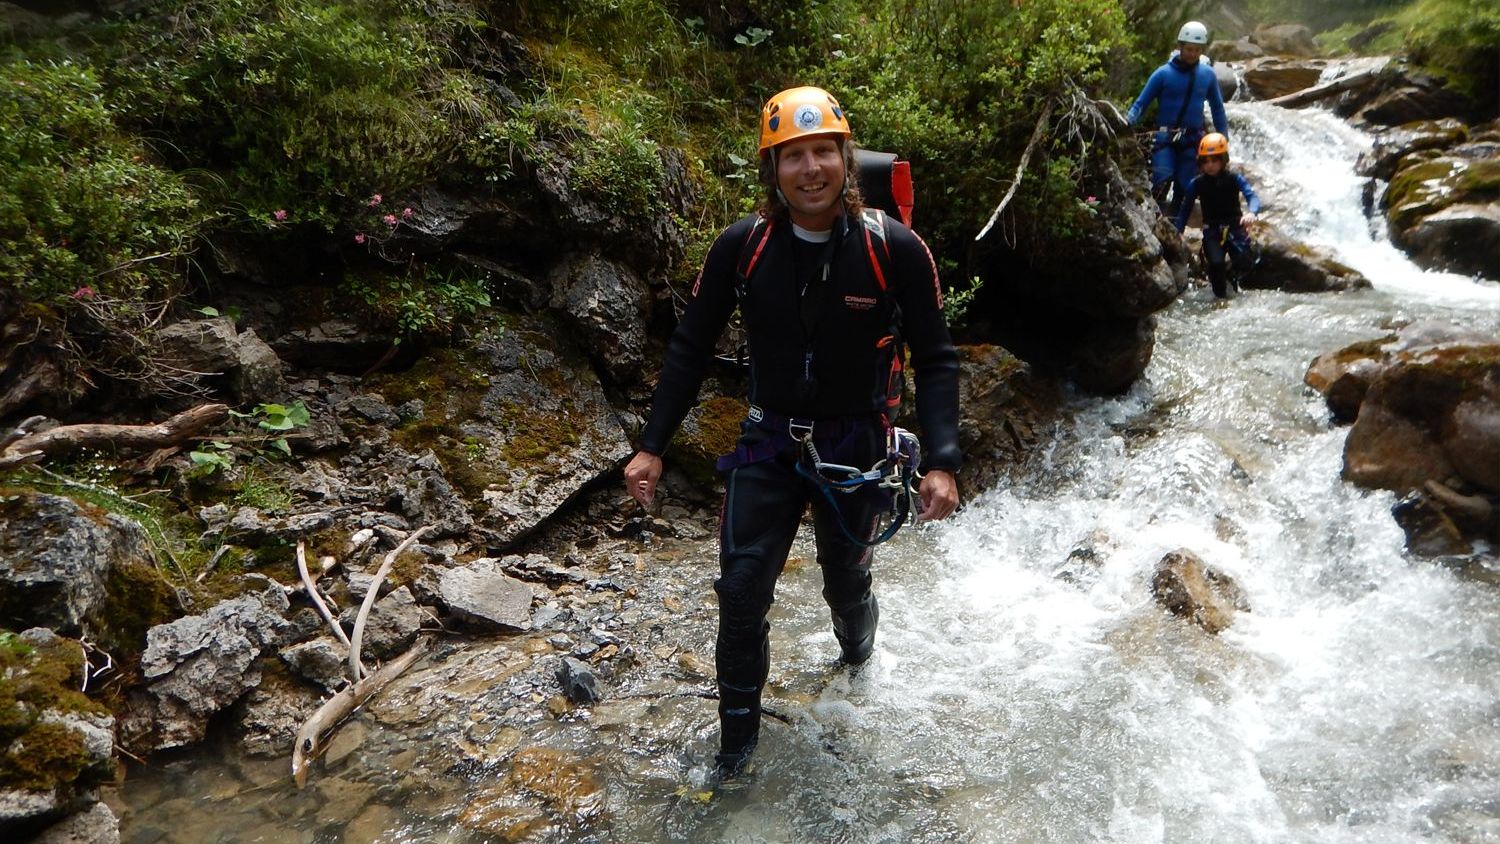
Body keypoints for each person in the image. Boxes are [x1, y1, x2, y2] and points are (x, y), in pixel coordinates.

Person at [622, 85, 961, 778]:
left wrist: (944, 461)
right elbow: (690, 345)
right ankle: (735, 754)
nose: (811, 169)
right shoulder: (743, 248)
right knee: (741, 592)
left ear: (846, 158)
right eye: (793, 156)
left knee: (846, 584)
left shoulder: (895, 249)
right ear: (772, 170)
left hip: (858, 446)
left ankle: (858, 659)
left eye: (823, 152)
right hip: (768, 441)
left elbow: (935, 358)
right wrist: (652, 445)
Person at [1126, 20, 1230, 215]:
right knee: (1162, 176)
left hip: (1192, 140)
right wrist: (1127, 122)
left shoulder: (1207, 75)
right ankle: (1152, 215)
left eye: (1197, 50)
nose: (1192, 54)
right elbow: (1141, 103)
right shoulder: (1163, 74)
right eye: (1189, 49)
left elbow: (1217, 108)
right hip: (1165, 138)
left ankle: (1174, 224)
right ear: (1180, 46)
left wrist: (1224, 137)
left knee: (1185, 184)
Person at [1174, 132, 1260, 298]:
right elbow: (1185, 209)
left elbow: (1252, 197)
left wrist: (1252, 213)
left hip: (1235, 229)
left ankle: (1234, 283)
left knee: (1244, 262)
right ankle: (1220, 298)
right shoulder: (1196, 184)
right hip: (1212, 232)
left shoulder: (1235, 179)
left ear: (1223, 160)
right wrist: (1179, 230)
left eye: (1215, 160)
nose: (1210, 165)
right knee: (1216, 263)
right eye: (1206, 161)